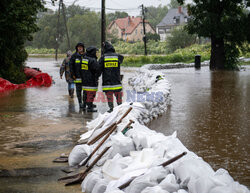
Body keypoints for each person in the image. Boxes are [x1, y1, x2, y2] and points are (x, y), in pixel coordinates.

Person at [98, 41, 124, 112]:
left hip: (107, 81)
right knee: (118, 95)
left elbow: (98, 68)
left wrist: (96, 76)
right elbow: (122, 58)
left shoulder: (103, 57)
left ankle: (111, 108)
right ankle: (120, 107)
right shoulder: (117, 56)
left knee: (109, 95)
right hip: (116, 80)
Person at [81, 46, 99, 112]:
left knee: (85, 92)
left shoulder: (84, 59)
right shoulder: (93, 60)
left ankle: (84, 104)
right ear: (92, 52)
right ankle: (89, 107)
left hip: (84, 79)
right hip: (91, 80)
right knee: (91, 93)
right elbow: (96, 70)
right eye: (95, 52)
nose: (96, 53)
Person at [69, 42, 85, 109]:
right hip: (77, 77)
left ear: (83, 48)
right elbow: (71, 66)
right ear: (76, 48)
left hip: (85, 77)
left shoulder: (86, 55)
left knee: (85, 92)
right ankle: (80, 103)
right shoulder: (74, 56)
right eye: (78, 47)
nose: (80, 48)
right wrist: (73, 75)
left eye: (81, 47)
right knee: (78, 91)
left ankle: (85, 103)